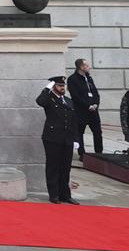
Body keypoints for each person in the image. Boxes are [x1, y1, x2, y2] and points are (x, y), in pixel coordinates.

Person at [36, 74, 79, 204]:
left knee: (65, 167)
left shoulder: (68, 101)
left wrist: (76, 139)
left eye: (63, 86)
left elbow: (74, 121)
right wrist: (47, 88)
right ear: (54, 87)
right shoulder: (49, 99)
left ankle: (65, 194)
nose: (62, 88)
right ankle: (54, 194)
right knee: (53, 166)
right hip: (53, 138)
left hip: (67, 139)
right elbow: (40, 101)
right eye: (59, 85)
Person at [68, 59, 103, 162]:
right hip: (81, 111)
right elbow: (75, 96)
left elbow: (95, 92)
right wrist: (87, 105)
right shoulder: (72, 79)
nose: (89, 67)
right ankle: (82, 153)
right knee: (79, 132)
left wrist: (96, 103)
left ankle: (99, 153)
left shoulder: (89, 78)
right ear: (81, 67)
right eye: (87, 65)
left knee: (97, 132)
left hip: (93, 111)